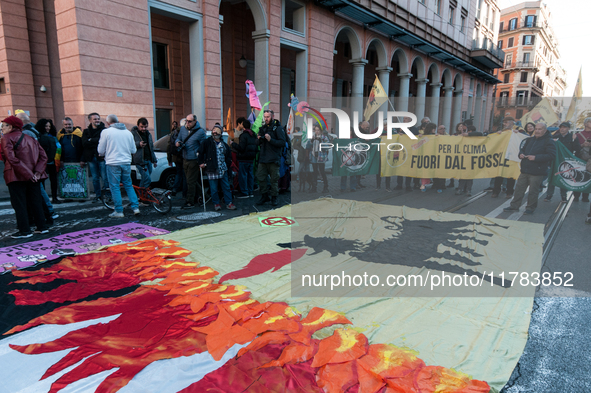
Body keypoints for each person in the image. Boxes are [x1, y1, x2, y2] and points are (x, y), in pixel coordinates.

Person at [0, 116, 48, 238]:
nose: (2, 128)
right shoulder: (31, 138)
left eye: (3, 125)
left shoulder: (6, 138)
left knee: (19, 203)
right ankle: (42, 227)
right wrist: (37, 173)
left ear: (11, 126)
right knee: (35, 202)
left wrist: (29, 174)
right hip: (34, 176)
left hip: (16, 175)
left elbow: (12, 159)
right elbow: (43, 157)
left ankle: (25, 230)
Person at [504, 123, 556, 215]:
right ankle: (514, 206)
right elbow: (522, 149)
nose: (537, 131)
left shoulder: (549, 141)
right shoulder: (529, 140)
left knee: (533, 191)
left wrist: (536, 157)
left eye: (540, 129)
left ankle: (530, 208)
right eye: (536, 129)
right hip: (525, 169)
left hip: (537, 171)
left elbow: (551, 155)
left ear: (545, 130)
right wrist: (520, 154)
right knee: (519, 189)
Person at [97, 114, 140, 218]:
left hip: (112, 163)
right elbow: (133, 150)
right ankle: (135, 208)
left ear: (108, 123)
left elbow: (100, 150)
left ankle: (119, 211)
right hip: (126, 162)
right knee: (128, 185)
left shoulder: (106, 132)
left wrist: (104, 153)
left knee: (115, 187)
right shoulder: (128, 133)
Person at [198, 123, 236, 211]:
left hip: (223, 169)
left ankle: (229, 203)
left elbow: (228, 156)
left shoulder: (224, 145)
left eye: (217, 131)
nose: (214, 133)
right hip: (211, 169)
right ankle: (216, 204)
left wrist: (227, 164)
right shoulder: (207, 142)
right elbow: (200, 152)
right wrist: (201, 163)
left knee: (226, 187)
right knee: (213, 188)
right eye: (213, 131)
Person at [544, 122, 580, 202]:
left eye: (564, 127)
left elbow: (577, 149)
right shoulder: (555, 136)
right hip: (555, 161)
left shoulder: (572, 137)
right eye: (561, 127)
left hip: (566, 161)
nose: (562, 129)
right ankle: (549, 195)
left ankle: (564, 196)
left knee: (564, 178)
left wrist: (575, 140)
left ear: (568, 128)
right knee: (552, 178)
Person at [176, 114, 206, 209]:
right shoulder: (183, 129)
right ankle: (202, 195)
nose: (187, 123)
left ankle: (190, 201)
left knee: (190, 181)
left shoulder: (200, 132)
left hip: (194, 159)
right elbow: (178, 138)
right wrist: (177, 142)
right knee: (190, 180)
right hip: (185, 158)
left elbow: (203, 147)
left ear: (195, 122)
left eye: (189, 121)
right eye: (186, 121)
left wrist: (202, 160)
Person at [256, 109, 286, 206]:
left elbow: (282, 143)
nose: (266, 119)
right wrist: (259, 139)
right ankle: (265, 195)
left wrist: (271, 139)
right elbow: (257, 143)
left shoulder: (278, 128)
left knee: (274, 180)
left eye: (268, 117)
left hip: (273, 158)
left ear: (272, 116)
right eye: (265, 117)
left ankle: (274, 197)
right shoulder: (263, 128)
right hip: (263, 158)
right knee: (260, 177)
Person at [492, 116, 524, 198]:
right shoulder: (503, 131)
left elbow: (524, 137)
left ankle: (509, 192)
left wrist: (518, 133)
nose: (504, 124)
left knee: (510, 175)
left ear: (511, 122)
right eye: (504, 122)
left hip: (512, 155)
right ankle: (496, 191)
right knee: (499, 174)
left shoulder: (519, 130)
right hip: (502, 155)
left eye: (506, 122)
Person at [35, 119, 60, 220]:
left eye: (49, 126)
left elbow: (58, 148)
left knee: (54, 179)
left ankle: (54, 197)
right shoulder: (39, 137)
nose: (48, 128)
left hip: (53, 161)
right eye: (46, 126)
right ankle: (46, 201)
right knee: (43, 181)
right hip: (43, 162)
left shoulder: (53, 137)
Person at [81, 113, 107, 202]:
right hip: (91, 158)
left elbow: (102, 141)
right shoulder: (86, 131)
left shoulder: (104, 130)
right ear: (90, 120)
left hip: (101, 157)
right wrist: (95, 141)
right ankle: (98, 195)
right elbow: (84, 143)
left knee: (105, 177)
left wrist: (91, 140)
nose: (97, 120)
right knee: (95, 178)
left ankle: (107, 195)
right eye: (95, 119)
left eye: (98, 119)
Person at [230, 117, 257, 198]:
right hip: (251, 158)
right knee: (250, 175)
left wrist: (233, 144)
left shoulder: (243, 135)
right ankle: (250, 191)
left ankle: (245, 192)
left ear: (244, 126)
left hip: (243, 158)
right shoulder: (253, 134)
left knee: (243, 176)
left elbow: (241, 148)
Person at [456, 125, 484, 196]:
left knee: (469, 175)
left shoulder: (475, 136)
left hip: (471, 158)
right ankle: (462, 189)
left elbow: (480, 134)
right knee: (464, 175)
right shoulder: (463, 136)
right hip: (465, 158)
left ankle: (466, 189)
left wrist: (468, 134)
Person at [131, 118, 158, 189]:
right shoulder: (133, 134)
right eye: (142, 127)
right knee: (147, 179)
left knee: (145, 178)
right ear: (138, 126)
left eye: (145, 127)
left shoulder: (148, 134)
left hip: (148, 160)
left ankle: (142, 195)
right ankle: (142, 194)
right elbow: (129, 145)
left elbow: (151, 148)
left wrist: (154, 160)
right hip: (140, 161)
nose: (143, 128)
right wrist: (138, 144)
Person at [307, 123, 330, 193]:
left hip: (321, 156)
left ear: (321, 131)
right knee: (314, 172)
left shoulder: (324, 138)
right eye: (315, 130)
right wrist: (311, 142)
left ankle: (326, 187)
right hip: (314, 156)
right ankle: (314, 187)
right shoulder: (313, 137)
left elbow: (327, 147)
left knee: (322, 172)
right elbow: (307, 146)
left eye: (318, 130)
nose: (316, 131)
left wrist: (321, 142)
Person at [167, 119, 187, 198]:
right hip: (184, 157)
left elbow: (169, 146)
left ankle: (175, 189)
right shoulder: (185, 132)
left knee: (178, 173)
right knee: (185, 175)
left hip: (175, 157)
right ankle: (185, 193)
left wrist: (169, 159)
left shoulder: (174, 132)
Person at [574, 117, 591, 202]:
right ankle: (576, 196)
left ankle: (585, 196)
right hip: (580, 160)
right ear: (585, 124)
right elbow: (575, 147)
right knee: (578, 178)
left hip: (590, 161)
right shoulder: (578, 135)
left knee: (588, 178)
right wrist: (582, 145)